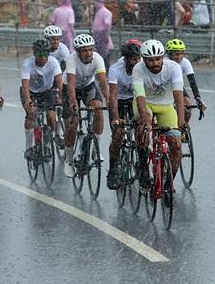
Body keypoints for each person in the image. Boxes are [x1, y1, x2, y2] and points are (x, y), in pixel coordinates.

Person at [131, 39, 185, 184]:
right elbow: (140, 96)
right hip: (146, 103)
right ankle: (143, 166)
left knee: (176, 145)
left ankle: (168, 183)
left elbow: (178, 94)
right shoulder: (138, 69)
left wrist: (181, 120)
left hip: (166, 105)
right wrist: (145, 121)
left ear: (163, 57)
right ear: (144, 59)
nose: (155, 63)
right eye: (150, 60)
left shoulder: (173, 67)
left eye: (158, 59)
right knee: (145, 126)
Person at [62, 33, 107, 178]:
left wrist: (109, 101)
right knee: (72, 123)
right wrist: (73, 105)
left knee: (98, 110)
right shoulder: (71, 59)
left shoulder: (98, 58)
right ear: (77, 51)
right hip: (70, 88)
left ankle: (95, 149)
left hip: (88, 86)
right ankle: (69, 160)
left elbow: (102, 82)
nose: (88, 53)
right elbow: (71, 86)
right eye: (84, 50)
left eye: (90, 49)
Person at [104, 40, 142, 190]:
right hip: (118, 100)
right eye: (132, 59)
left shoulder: (142, 67)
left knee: (141, 130)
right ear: (125, 59)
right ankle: (112, 170)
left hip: (134, 99)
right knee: (118, 135)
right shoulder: (115, 69)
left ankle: (141, 163)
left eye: (137, 59)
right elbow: (112, 96)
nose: (135, 62)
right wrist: (115, 119)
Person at [19, 40, 62, 160]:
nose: (43, 57)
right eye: (39, 54)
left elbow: (59, 81)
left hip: (46, 91)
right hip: (30, 92)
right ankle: (28, 148)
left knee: (52, 117)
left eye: (45, 54)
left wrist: (61, 97)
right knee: (32, 114)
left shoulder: (53, 62)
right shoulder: (27, 64)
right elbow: (25, 85)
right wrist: (28, 100)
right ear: (34, 54)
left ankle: (46, 145)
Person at [165, 39, 206, 125]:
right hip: (164, 87)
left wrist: (198, 98)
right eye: (176, 54)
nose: (180, 57)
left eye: (181, 54)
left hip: (177, 86)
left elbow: (192, 82)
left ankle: (184, 126)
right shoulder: (165, 62)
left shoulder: (185, 62)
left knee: (187, 105)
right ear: (169, 54)